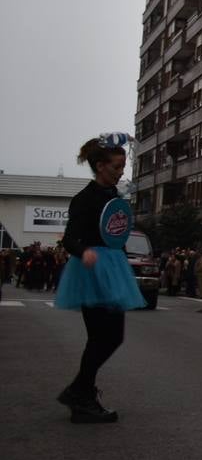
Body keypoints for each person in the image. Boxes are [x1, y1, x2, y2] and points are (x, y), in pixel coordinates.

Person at [54, 135, 145, 423]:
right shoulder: (85, 199)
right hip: (92, 270)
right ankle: (81, 394)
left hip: (113, 267)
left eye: (123, 167)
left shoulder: (113, 197)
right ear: (100, 166)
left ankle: (80, 392)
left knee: (110, 337)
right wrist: (84, 252)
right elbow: (69, 239)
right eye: (117, 167)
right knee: (102, 337)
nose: (121, 172)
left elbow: (117, 231)